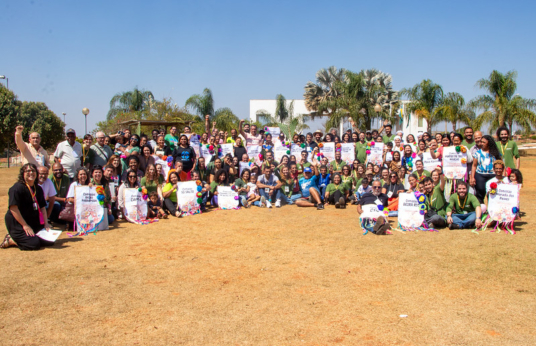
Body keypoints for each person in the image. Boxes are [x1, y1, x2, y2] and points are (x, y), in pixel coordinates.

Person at [1, 164, 54, 250]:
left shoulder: (38, 189)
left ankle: (29, 237)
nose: (31, 173)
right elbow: (13, 209)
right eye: (28, 171)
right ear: (23, 174)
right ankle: (10, 239)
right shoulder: (16, 188)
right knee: (34, 244)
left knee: (50, 241)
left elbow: (42, 208)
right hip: (18, 222)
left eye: (33, 171)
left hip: (32, 221)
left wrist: (46, 223)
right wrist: (25, 225)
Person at [470, 135, 502, 203]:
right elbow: (474, 165)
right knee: (480, 193)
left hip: (493, 175)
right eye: (481, 142)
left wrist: (502, 176)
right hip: (480, 175)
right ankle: (481, 210)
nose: (481, 143)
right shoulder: (477, 153)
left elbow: (501, 164)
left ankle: (491, 210)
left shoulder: (495, 153)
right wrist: (472, 177)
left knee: (492, 193)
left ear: (489, 143)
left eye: (484, 142)